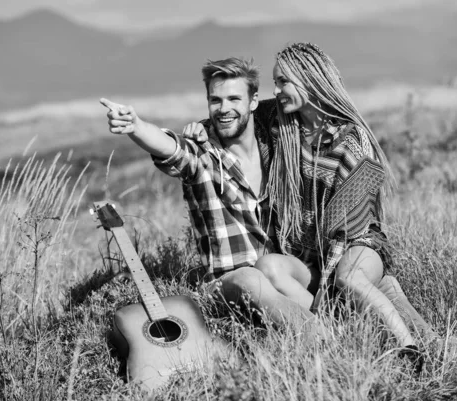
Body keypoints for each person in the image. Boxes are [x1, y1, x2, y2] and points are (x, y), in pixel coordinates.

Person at [182, 44, 439, 359]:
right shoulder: (281, 126)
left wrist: (327, 281)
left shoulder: (352, 139)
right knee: (268, 266)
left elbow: (350, 227)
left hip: (356, 244)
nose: (275, 91)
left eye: (282, 83)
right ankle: (335, 334)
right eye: (274, 83)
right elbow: (233, 109)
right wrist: (200, 128)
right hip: (311, 254)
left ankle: (408, 349)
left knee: (350, 278)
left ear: (309, 81)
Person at [100, 57, 322, 331]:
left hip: (281, 271)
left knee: (288, 269)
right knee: (250, 279)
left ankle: (335, 323)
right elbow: (171, 148)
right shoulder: (204, 154)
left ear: (253, 101)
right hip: (229, 283)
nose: (223, 109)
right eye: (215, 100)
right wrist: (136, 127)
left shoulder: (277, 145)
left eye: (233, 99)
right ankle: (323, 337)